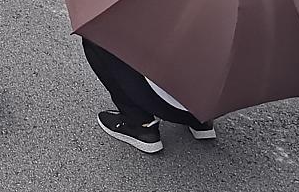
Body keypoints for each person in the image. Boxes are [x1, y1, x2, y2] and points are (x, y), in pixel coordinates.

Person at [82, 37, 216, 153]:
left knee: (97, 36)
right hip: (207, 105)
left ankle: (139, 122)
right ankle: (198, 120)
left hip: (160, 98)